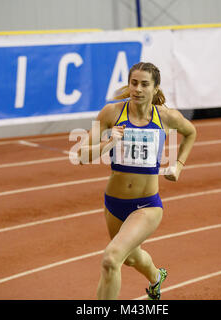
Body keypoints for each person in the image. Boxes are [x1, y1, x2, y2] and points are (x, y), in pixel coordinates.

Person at [77, 62, 197, 300]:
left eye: (144, 84)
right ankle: (155, 277)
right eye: (134, 83)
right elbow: (81, 155)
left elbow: (191, 132)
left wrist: (179, 165)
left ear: (155, 88)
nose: (138, 89)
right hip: (114, 203)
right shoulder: (111, 113)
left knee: (111, 259)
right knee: (130, 257)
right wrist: (109, 142)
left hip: (147, 205)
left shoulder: (166, 117)